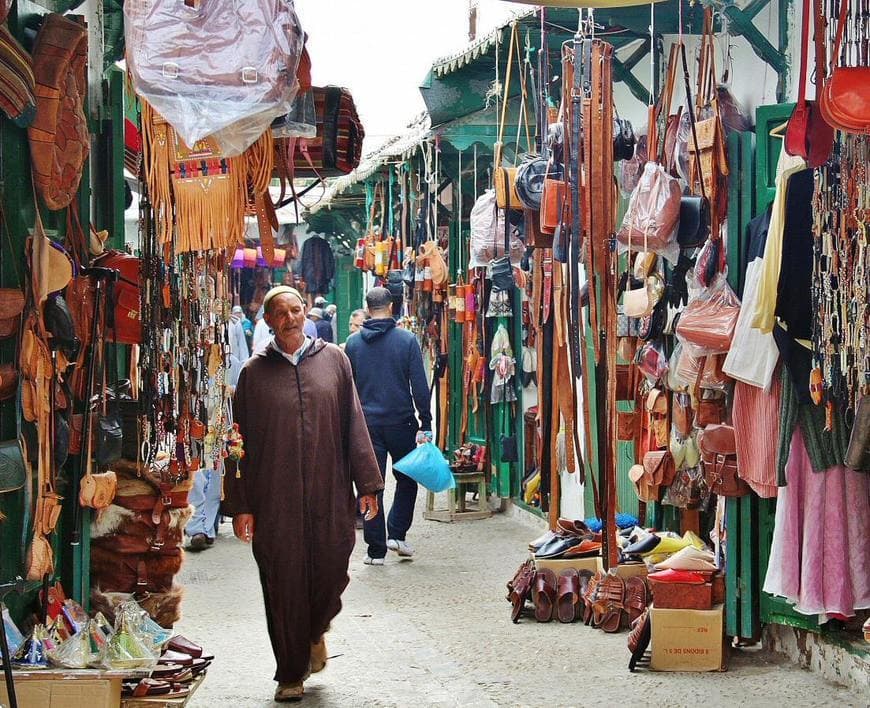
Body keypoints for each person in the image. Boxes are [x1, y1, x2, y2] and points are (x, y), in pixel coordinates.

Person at [223, 286, 383, 702]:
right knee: (283, 582)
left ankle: (315, 630)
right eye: (281, 312)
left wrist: (367, 484)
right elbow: (237, 445)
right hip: (275, 498)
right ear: (269, 321)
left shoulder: (334, 361)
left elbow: (354, 423)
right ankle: (289, 672)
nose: (291, 318)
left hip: (329, 491)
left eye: (296, 309)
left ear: (306, 312)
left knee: (332, 568)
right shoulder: (253, 375)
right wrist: (241, 506)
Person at [344, 287, 432, 565]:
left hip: (367, 426)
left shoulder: (353, 344)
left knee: (370, 485)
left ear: (368, 309)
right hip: (402, 422)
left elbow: (348, 388)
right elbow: (419, 385)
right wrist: (425, 422)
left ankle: (375, 550)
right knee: (407, 478)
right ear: (391, 306)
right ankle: (397, 533)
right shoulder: (406, 341)